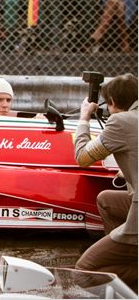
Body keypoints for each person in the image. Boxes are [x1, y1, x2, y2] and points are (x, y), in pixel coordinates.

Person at [74, 74, 137, 292]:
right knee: (107, 200)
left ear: (112, 102)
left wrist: (84, 118)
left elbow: (82, 157)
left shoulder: (121, 121)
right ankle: (127, 260)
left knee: (84, 272)